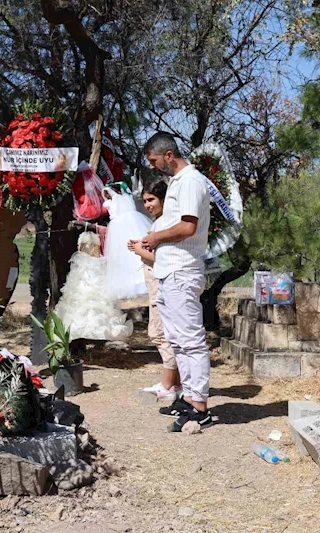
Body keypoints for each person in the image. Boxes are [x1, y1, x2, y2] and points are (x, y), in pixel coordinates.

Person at [140, 132, 213, 432]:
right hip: (169, 272)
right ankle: (187, 396)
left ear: (169, 155)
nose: (155, 167)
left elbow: (187, 226)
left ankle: (200, 406)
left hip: (183, 271)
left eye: (155, 161)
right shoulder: (177, 183)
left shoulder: (192, 181)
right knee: (178, 341)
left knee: (191, 340)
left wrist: (156, 236)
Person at [127, 179, 182, 400]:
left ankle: (168, 386)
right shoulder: (161, 223)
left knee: (159, 333)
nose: (148, 205)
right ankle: (174, 383)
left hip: (161, 285)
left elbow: (162, 259)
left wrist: (139, 250)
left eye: (151, 200)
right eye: (145, 201)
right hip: (156, 286)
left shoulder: (165, 225)